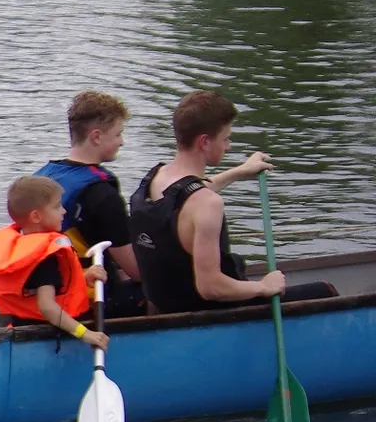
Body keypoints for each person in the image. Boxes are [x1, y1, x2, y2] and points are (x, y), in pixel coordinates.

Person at [128, 91, 336, 313]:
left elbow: (186, 193)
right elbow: (210, 287)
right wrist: (263, 287)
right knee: (326, 292)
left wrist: (240, 171)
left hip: (165, 307)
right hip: (207, 317)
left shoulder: (156, 178)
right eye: (225, 138)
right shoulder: (208, 204)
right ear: (205, 142)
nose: (228, 146)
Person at [33, 90, 145, 317]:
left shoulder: (42, 177)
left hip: (44, 292)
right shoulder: (102, 194)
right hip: (85, 302)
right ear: (96, 136)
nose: (122, 142)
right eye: (118, 134)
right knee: (157, 287)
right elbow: (136, 271)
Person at [0, 176, 111, 352]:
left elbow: (36, 289)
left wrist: (83, 278)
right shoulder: (46, 258)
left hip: (21, 328)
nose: (64, 211)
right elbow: (47, 307)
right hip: (48, 335)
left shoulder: (22, 249)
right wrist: (85, 333)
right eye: (57, 206)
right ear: (36, 216)